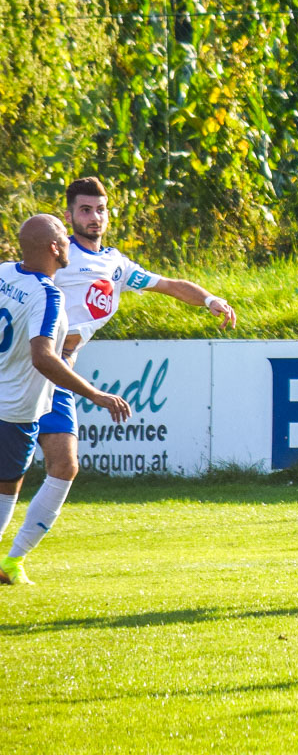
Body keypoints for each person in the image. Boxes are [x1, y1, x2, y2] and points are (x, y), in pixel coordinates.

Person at [17, 177, 236, 577]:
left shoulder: (115, 265)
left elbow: (167, 285)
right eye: (85, 210)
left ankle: (12, 561)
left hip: (58, 375)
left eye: (100, 210)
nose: (94, 217)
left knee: (64, 466)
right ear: (69, 215)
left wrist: (209, 299)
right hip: (24, 367)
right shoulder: (57, 255)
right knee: (9, 472)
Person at [0, 215, 132, 586]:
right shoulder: (47, 294)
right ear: (55, 247)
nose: (68, 242)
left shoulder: (4, 272)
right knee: (7, 487)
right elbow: (43, 357)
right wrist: (95, 394)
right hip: (16, 405)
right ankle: (9, 564)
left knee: (61, 466)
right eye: (63, 236)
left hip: (24, 395)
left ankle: (12, 562)